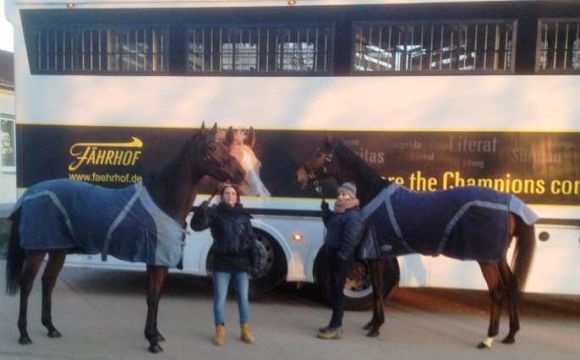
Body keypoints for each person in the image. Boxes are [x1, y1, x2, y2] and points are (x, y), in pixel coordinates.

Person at [190, 184, 259, 346]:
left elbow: (251, 241)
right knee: (220, 299)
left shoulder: (244, 217)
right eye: (227, 193)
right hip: (221, 264)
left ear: (237, 197)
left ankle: (245, 330)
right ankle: (220, 331)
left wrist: (254, 263)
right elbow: (196, 226)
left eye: (233, 193)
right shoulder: (215, 214)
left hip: (241, 264)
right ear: (223, 196)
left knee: (243, 299)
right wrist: (201, 211)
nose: (230, 196)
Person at [317, 182, 365, 340]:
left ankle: (336, 327)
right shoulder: (340, 213)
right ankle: (333, 324)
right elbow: (331, 226)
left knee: (338, 293)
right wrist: (326, 212)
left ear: (351, 196)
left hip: (341, 258)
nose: (340, 197)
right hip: (333, 254)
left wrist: (341, 256)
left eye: (344, 194)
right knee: (333, 290)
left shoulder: (354, 215)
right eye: (339, 194)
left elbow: (351, 238)